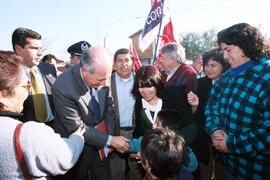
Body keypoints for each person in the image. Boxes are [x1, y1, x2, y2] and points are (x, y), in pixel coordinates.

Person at [0, 50, 85, 179]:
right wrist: (77, 138)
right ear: (3, 96)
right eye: (26, 85)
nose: (29, 91)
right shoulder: (28, 134)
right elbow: (65, 158)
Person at [52, 46, 130, 180]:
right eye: (100, 80)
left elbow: (109, 108)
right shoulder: (62, 87)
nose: (104, 84)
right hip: (78, 147)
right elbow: (77, 128)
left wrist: (109, 138)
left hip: (102, 146)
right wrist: (110, 140)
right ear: (84, 71)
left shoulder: (102, 75)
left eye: (107, 78)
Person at [205, 23, 270, 179]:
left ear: (246, 46)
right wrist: (215, 129)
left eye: (228, 50)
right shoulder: (227, 77)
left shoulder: (266, 77)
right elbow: (211, 107)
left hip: (258, 171)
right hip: (230, 167)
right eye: (223, 50)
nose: (224, 56)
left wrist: (231, 144)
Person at [187, 48, 230, 180]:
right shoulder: (199, 84)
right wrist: (195, 106)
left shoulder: (231, 84)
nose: (208, 69)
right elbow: (193, 115)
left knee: (222, 173)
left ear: (224, 66)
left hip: (226, 138)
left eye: (213, 65)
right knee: (204, 173)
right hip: (203, 139)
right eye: (206, 65)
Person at [128, 108, 197, 178]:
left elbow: (193, 166)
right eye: (154, 122)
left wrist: (174, 165)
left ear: (167, 130)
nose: (153, 126)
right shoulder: (150, 140)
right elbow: (134, 144)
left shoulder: (183, 149)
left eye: (157, 124)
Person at [12, 27, 57, 127]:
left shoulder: (49, 69)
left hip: (55, 129)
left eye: (40, 48)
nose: (40, 53)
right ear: (18, 49)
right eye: (34, 48)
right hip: (25, 134)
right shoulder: (9, 75)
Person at [110, 48, 141, 180]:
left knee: (137, 171)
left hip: (136, 132)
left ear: (132, 62)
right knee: (116, 173)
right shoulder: (106, 81)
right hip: (115, 132)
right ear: (114, 64)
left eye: (127, 60)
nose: (124, 64)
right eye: (120, 61)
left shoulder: (141, 80)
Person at [159, 42, 198, 145]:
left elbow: (189, 107)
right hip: (164, 127)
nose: (160, 61)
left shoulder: (189, 74)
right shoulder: (162, 74)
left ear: (172, 59)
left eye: (162, 57)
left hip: (181, 130)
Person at [131, 65, 164, 138]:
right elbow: (138, 131)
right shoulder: (139, 101)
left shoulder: (169, 100)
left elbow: (190, 127)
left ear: (157, 84)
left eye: (149, 86)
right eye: (141, 87)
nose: (145, 91)